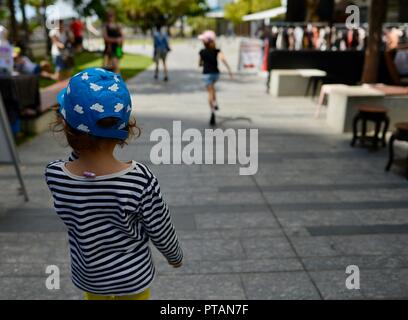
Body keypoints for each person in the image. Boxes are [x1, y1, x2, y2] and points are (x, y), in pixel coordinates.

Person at [45, 68, 183, 300]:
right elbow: (160, 227)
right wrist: (174, 256)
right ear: (125, 128)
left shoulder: (56, 175)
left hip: (91, 278)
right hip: (133, 278)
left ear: (66, 127)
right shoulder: (139, 180)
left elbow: (77, 166)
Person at [198, 30, 232, 126]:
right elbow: (222, 59)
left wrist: (203, 62)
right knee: (212, 89)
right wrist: (229, 70)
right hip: (215, 74)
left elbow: (199, 64)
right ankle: (215, 102)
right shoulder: (217, 50)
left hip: (206, 74)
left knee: (210, 92)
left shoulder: (202, 52)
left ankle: (212, 110)